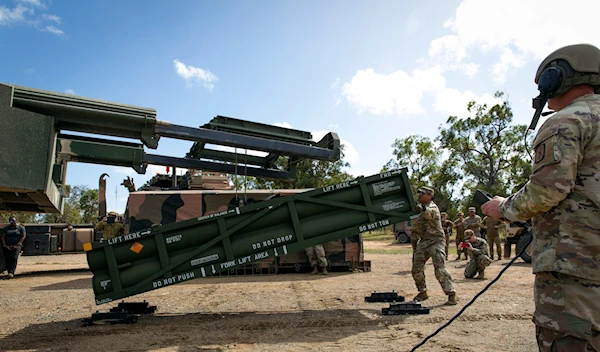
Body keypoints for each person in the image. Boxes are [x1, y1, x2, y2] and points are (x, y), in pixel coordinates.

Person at [481, 43, 600, 351]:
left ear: (555, 78)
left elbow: (546, 191)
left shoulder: (567, 122)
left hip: (576, 272)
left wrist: (503, 207)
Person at [410, 186, 457, 305]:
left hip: (436, 240)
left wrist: (421, 208)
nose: (420, 195)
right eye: (419, 193)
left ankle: (451, 294)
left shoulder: (432, 207)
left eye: (422, 193)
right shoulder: (420, 208)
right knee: (416, 268)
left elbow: (428, 214)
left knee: (439, 268)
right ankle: (422, 292)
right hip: (424, 241)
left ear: (430, 196)